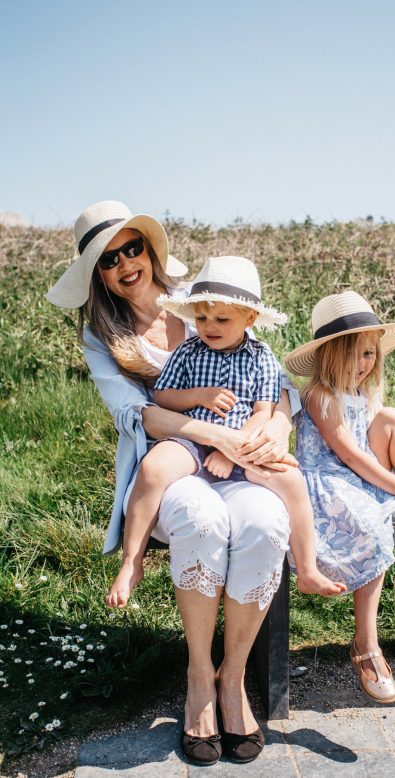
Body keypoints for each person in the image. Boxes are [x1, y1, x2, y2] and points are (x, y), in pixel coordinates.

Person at [46, 200, 298, 766]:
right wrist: (214, 433)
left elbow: (273, 380)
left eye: (132, 247)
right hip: (174, 456)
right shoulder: (103, 337)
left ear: (150, 249)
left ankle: (232, 678)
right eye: (108, 260)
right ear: (98, 276)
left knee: (263, 524)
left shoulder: (205, 295)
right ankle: (198, 679)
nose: (125, 264)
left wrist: (275, 423)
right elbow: (138, 414)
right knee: (201, 520)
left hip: (244, 453)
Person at [105, 254, 344, 606]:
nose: (208, 326)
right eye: (201, 317)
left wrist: (229, 450)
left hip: (243, 442)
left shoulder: (261, 356)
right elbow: (163, 397)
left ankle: (308, 569)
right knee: (154, 468)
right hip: (190, 439)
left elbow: (264, 410)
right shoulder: (188, 351)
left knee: (292, 481)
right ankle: (131, 562)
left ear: (249, 318)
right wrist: (199, 396)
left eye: (221, 319)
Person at [284, 290, 395, 704]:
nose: (364, 365)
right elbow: (347, 453)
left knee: (393, 418)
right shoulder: (319, 395)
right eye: (355, 355)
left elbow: (370, 448)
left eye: (370, 355)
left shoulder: (363, 396)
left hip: (363, 478)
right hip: (329, 483)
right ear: (329, 356)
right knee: (369, 525)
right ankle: (367, 645)